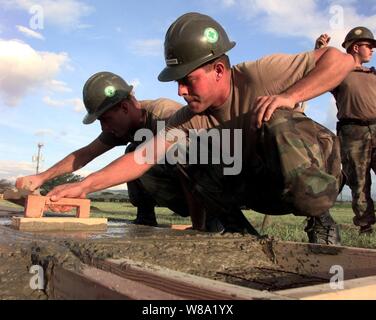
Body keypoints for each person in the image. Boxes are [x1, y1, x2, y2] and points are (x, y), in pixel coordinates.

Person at [45, 13, 355, 245]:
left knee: (275, 116)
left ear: (219, 70)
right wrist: (85, 186)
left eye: (187, 80)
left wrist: (290, 96)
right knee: (188, 156)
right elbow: (141, 158)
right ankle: (240, 237)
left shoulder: (261, 74)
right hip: (269, 187)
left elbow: (339, 61)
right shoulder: (188, 118)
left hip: (321, 171)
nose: (180, 91)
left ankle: (320, 219)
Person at [16, 71, 189, 227]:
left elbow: (200, 162)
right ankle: (145, 217)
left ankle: (209, 220)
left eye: (106, 119)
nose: (104, 128)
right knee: (133, 151)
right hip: (176, 189)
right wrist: (41, 177)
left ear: (125, 108)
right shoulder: (122, 126)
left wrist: (85, 186)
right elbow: (86, 153)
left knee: (142, 153)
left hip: (200, 189)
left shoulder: (165, 114)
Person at [315, 27, 376, 234]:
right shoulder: (339, 74)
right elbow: (317, 72)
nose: (373, 50)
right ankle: (365, 226)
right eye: (369, 46)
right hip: (353, 132)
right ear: (356, 47)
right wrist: (320, 50)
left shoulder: (373, 74)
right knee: (359, 181)